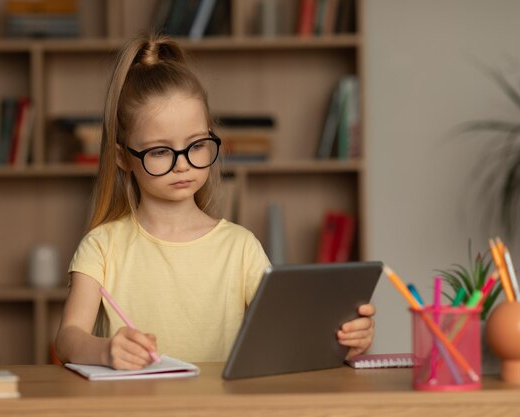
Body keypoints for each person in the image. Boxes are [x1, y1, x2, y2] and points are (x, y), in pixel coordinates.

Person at [55, 33, 375, 370]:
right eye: (160, 151)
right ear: (123, 157)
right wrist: (104, 351)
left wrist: (344, 340)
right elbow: (68, 338)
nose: (182, 164)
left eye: (196, 146)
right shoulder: (102, 247)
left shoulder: (241, 248)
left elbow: (289, 340)